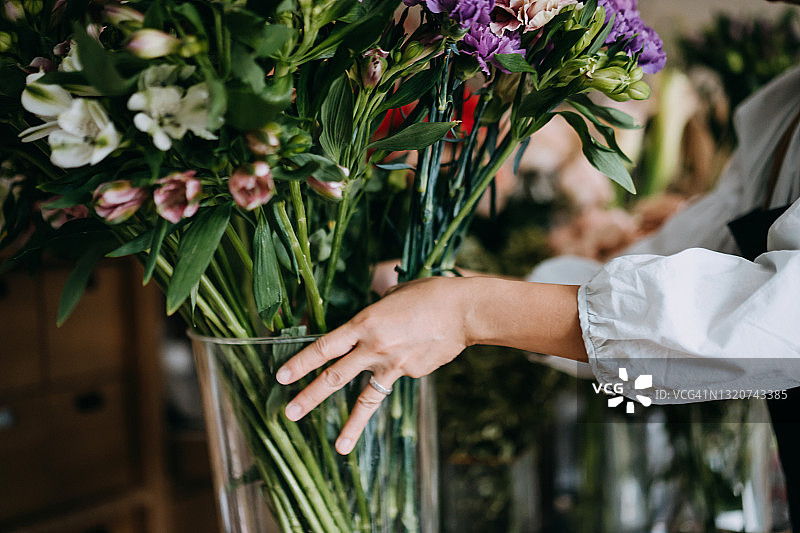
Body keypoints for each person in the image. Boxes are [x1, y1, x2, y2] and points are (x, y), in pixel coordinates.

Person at [277, 0, 800, 525]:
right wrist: (452, 287)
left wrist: (467, 310)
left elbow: (767, 322)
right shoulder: (783, 109)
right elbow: (676, 268)